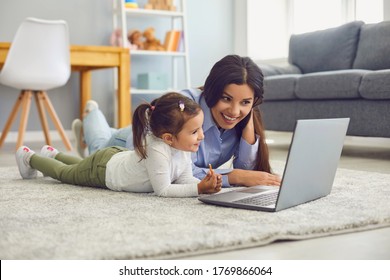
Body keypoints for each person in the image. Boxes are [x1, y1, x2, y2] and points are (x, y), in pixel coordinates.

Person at [72, 54, 281, 188]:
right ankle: (92, 114)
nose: (234, 111)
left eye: (245, 102)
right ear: (212, 91)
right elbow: (173, 171)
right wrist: (235, 176)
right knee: (99, 146)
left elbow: (247, 169)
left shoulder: (242, 117)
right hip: (130, 145)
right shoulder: (183, 106)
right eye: (226, 98)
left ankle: (94, 125)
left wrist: (248, 120)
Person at [15, 93, 222, 197]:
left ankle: (54, 154)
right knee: (65, 174)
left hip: (113, 157)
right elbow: (164, 190)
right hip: (104, 171)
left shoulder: (182, 147)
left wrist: (204, 183)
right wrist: (199, 189)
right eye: (195, 132)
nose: (202, 136)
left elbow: (183, 178)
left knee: (78, 165)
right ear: (168, 138)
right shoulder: (158, 149)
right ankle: (29, 157)